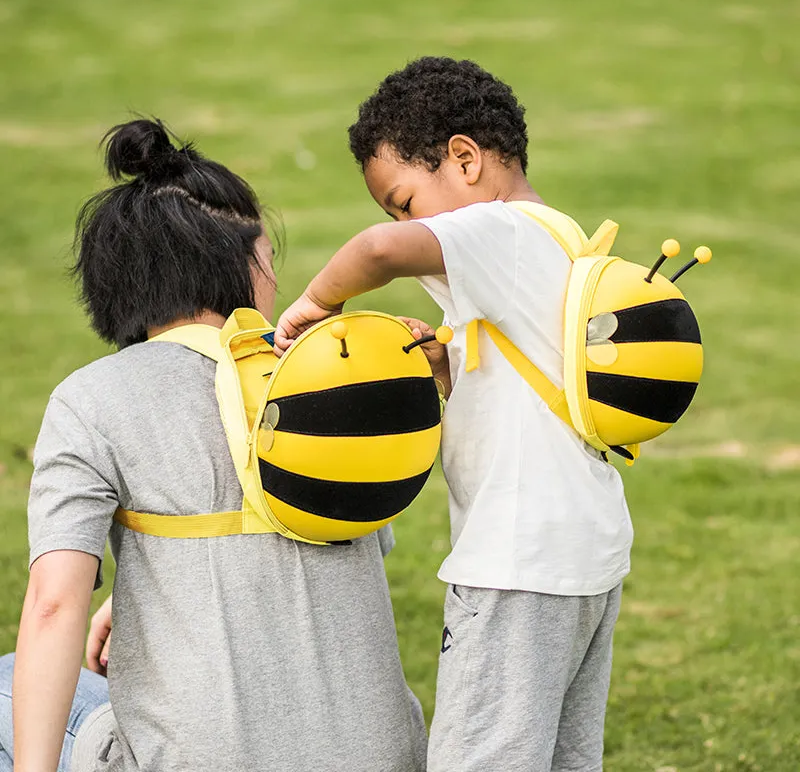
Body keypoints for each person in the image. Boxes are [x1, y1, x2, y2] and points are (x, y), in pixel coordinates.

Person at [1, 119, 427, 772]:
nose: (276, 282)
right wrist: (135, 593)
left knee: (9, 680)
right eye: (268, 259)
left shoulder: (91, 400)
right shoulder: (331, 377)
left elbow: (54, 604)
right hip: (383, 757)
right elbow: (290, 540)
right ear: (235, 265)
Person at [275, 57, 633, 772]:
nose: (399, 223)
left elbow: (376, 252)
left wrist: (318, 301)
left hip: (515, 562)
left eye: (405, 201)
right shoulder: (554, 237)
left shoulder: (500, 231)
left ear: (465, 159)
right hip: (586, 557)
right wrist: (450, 375)